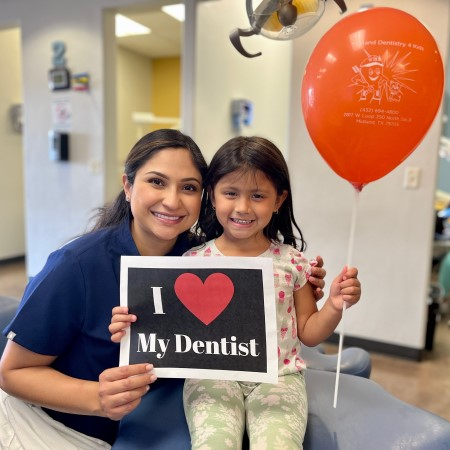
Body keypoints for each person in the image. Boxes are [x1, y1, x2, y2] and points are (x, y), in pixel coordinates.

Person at [0, 129, 326, 449]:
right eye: (156, 182)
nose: (172, 201)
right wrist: (95, 398)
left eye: (188, 187)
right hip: (47, 426)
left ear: (203, 197)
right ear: (128, 185)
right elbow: (12, 373)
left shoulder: (201, 259)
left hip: (146, 423)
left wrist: (297, 289)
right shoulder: (76, 264)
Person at [110, 136, 361, 449]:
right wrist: (132, 327)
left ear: (278, 200)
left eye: (258, 195)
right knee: (213, 443)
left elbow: (309, 333)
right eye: (231, 193)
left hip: (280, 378)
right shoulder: (191, 262)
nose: (243, 207)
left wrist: (335, 305)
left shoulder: (292, 262)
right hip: (211, 377)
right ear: (212, 195)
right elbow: (169, 330)